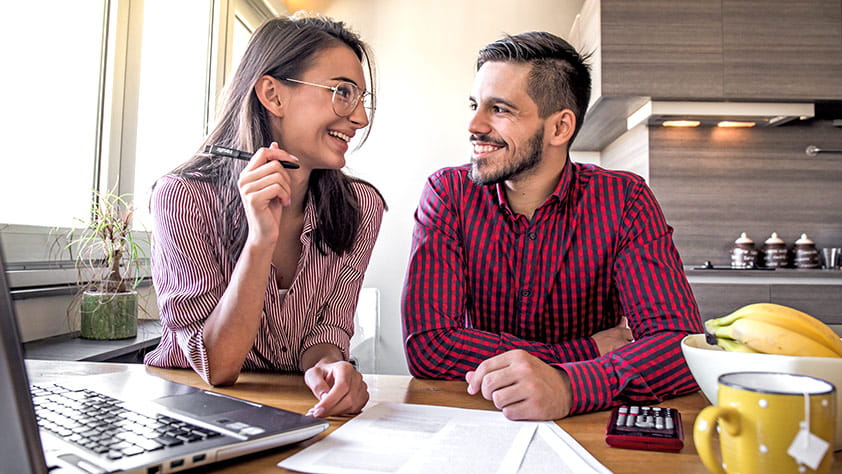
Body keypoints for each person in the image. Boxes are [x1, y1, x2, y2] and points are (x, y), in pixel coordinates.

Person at [401, 31, 703, 421]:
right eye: (475, 105)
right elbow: (429, 347)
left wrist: (567, 387)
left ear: (560, 128)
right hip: (484, 412)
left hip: (588, 419)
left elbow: (677, 344)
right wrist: (585, 354)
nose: (474, 125)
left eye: (500, 110)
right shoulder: (448, 193)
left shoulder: (624, 200)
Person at [144, 14, 385, 418]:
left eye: (361, 98)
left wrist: (328, 366)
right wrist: (260, 241)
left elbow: (326, 332)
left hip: (294, 411)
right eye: (342, 92)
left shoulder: (362, 208)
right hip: (187, 410)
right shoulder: (182, 196)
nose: (359, 117)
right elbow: (216, 367)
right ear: (273, 95)